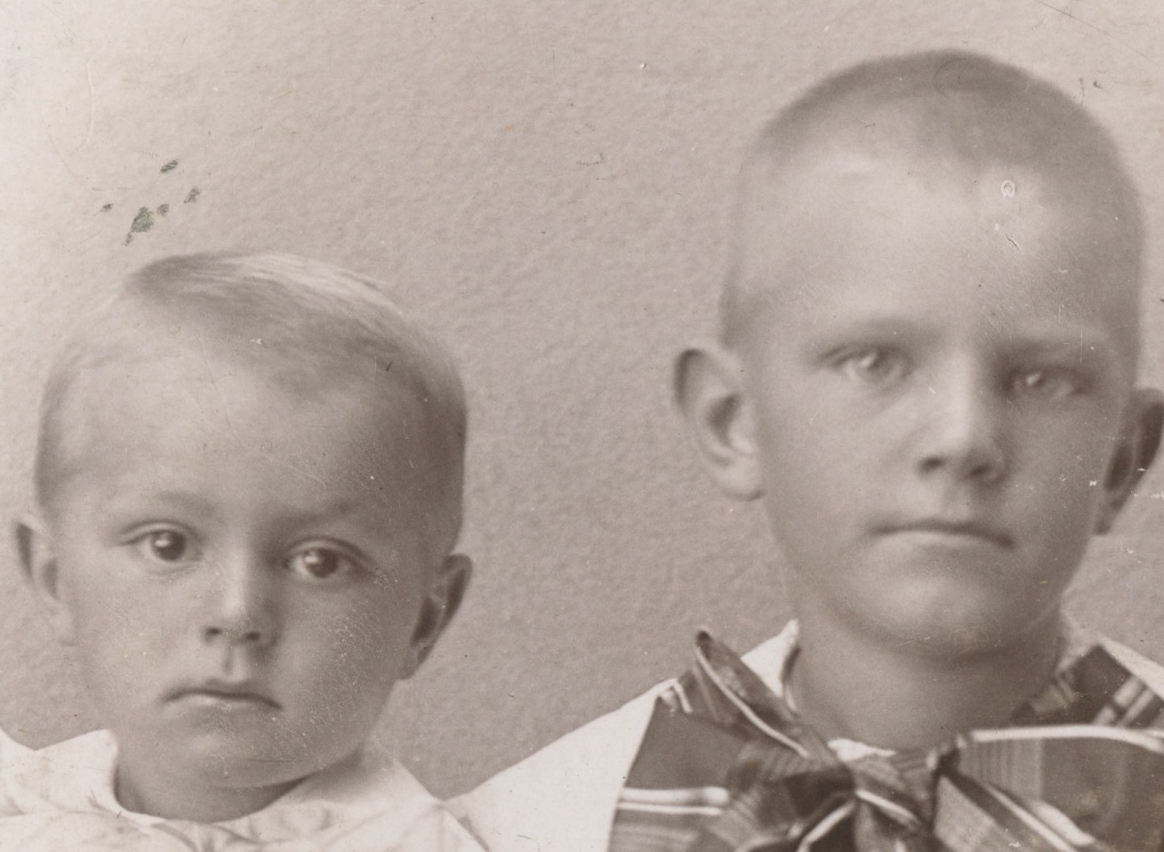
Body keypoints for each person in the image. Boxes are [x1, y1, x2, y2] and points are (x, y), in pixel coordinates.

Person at [454, 50, 1164, 850]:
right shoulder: (524, 829)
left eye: (1043, 379)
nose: (963, 436)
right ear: (734, 421)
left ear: (1124, 458)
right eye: (875, 362)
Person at [6, 252, 481, 850]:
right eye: (168, 545)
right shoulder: (25, 806)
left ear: (425, 620)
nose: (237, 614)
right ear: (54, 579)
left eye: (320, 562)